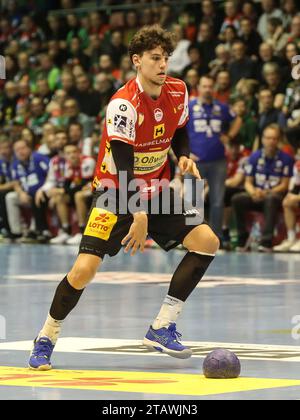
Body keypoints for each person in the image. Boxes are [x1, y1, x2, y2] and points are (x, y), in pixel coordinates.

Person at [28, 25, 220, 370]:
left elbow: (179, 131)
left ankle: (161, 326)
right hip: (115, 192)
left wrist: (184, 155)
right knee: (83, 271)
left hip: (157, 188)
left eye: (166, 59)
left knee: (206, 240)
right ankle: (46, 336)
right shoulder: (122, 104)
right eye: (155, 59)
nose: (163, 65)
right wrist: (140, 214)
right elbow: (123, 165)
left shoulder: (178, 90)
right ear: (137, 61)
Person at [185, 74, 242, 239]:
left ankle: (215, 237)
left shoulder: (221, 107)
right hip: (194, 161)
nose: (208, 89)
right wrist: (184, 153)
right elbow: (177, 129)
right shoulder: (189, 106)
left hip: (218, 160)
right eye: (204, 86)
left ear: (214, 88)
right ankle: (191, 237)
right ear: (198, 88)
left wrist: (229, 136)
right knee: (192, 200)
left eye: (210, 86)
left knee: (217, 201)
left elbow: (237, 119)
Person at [232, 124, 294, 252]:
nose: (271, 141)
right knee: (237, 199)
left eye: (274, 138)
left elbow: (285, 185)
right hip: (257, 195)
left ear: (278, 140)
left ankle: (266, 241)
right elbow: (248, 182)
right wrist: (253, 192)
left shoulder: (286, 159)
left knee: (271, 199)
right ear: (263, 139)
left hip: (274, 196)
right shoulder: (254, 157)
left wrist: (267, 192)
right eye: (268, 138)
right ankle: (242, 239)